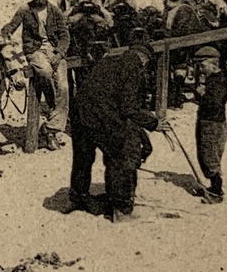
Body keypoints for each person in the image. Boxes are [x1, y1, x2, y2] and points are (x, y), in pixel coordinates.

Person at [66, 33, 158, 221]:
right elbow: (128, 107)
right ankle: (121, 208)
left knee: (83, 158)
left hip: (79, 114)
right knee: (120, 156)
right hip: (102, 118)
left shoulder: (110, 60)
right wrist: (154, 123)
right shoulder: (134, 68)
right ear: (145, 59)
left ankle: (77, 197)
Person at [4, 0, 72, 151]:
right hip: (34, 51)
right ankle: (51, 108)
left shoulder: (54, 11)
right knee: (46, 71)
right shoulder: (25, 10)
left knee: (63, 87)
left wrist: (59, 54)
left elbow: (65, 36)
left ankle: (52, 127)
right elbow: (12, 26)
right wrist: (6, 34)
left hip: (54, 49)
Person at [192, 46, 227, 200]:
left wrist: (202, 95)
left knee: (209, 155)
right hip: (208, 121)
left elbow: (215, 103)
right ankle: (213, 186)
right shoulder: (213, 79)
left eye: (203, 66)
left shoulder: (219, 81)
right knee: (205, 153)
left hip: (212, 123)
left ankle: (216, 190)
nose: (200, 70)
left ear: (214, 65)